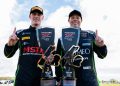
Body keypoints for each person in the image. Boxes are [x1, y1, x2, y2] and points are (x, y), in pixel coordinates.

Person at [55, 10, 107, 86]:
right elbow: (58, 61)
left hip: (90, 82)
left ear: (81, 20)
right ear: (68, 20)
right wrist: (59, 78)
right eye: (72, 18)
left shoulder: (90, 35)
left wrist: (101, 46)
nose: (75, 19)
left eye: (77, 17)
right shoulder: (61, 38)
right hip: (68, 81)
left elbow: (103, 55)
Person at [4, 6, 50, 86]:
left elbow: (52, 59)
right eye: (34, 14)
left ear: (42, 17)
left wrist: (51, 58)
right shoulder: (20, 33)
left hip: (42, 79)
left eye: (39, 14)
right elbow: (8, 55)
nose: (36, 16)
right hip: (22, 79)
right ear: (30, 16)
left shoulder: (48, 35)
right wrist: (9, 45)